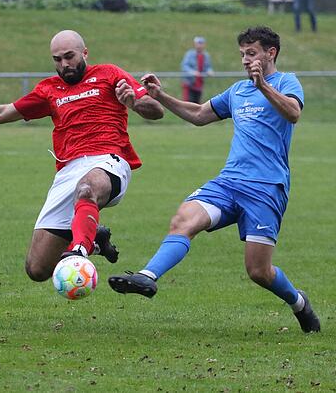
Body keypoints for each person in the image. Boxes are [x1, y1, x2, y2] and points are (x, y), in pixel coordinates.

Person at [109, 26, 320, 333]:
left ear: (270, 53)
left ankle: (299, 302)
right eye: (243, 55)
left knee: (258, 271)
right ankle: (147, 276)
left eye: (252, 53)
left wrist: (263, 86)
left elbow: (293, 113)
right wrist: (161, 96)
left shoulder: (287, 82)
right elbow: (198, 114)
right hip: (229, 182)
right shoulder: (237, 91)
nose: (246, 60)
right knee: (184, 218)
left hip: (266, 188)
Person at [0, 30, 163, 282]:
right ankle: (93, 240)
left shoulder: (109, 74)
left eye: (69, 56)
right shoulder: (48, 89)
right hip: (68, 169)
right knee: (37, 269)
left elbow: (156, 111)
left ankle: (80, 249)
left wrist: (133, 103)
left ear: (84, 53)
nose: (64, 64)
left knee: (87, 189)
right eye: (57, 59)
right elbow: (1, 113)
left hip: (108, 159)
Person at [180, 36, 214, 104]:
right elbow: (184, 66)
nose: (199, 45)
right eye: (198, 43)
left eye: (201, 43)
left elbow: (208, 67)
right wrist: (192, 72)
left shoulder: (206, 55)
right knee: (188, 104)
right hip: (189, 84)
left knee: (197, 104)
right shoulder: (189, 54)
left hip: (199, 85)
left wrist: (209, 71)